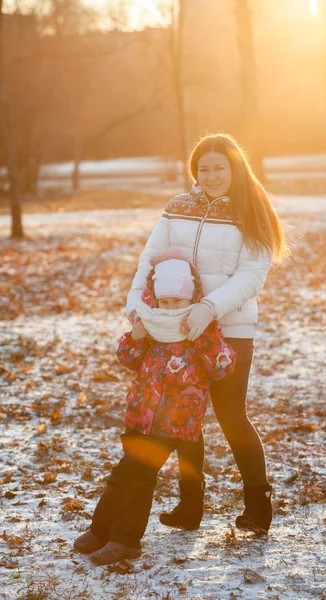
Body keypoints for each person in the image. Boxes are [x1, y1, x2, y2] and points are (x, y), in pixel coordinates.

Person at [125, 133, 289, 535]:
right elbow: (149, 258)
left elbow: (252, 275)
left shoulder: (252, 211)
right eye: (204, 169)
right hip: (174, 328)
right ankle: (190, 505)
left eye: (220, 168)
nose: (212, 176)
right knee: (184, 418)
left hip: (229, 328)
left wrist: (209, 307)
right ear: (194, 171)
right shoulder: (177, 207)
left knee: (231, 415)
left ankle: (258, 506)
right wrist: (136, 309)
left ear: (236, 168)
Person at [73, 253, 236, 565]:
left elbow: (221, 368)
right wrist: (134, 338)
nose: (172, 308)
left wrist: (204, 339)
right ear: (156, 299)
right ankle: (124, 540)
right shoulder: (149, 321)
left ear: (190, 297)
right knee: (139, 478)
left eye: (178, 301)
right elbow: (128, 359)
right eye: (166, 302)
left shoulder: (201, 327)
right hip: (141, 415)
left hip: (175, 421)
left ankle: (101, 529)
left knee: (127, 476)